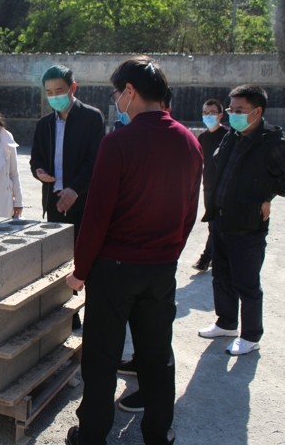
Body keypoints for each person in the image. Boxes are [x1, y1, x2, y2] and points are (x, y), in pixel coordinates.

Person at [64, 57, 203, 445]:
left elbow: (98, 215)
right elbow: (189, 211)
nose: (116, 102)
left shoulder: (119, 142)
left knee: (102, 356)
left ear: (129, 91)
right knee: (156, 354)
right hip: (161, 267)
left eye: (116, 94)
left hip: (115, 268)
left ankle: (92, 434)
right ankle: (158, 433)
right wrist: (170, 252)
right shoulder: (189, 141)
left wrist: (81, 269)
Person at [197, 85, 285, 355]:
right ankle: (226, 323)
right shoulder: (233, 135)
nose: (232, 115)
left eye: (239, 110)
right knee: (221, 276)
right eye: (231, 109)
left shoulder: (271, 142)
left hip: (247, 225)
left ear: (257, 112)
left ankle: (250, 335)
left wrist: (268, 196)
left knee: (247, 283)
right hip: (221, 218)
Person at [116, 85, 176, 414]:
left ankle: (151, 398)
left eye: (119, 93)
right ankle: (144, 375)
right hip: (157, 257)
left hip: (137, 258)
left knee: (154, 338)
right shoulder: (182, 140)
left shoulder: (172, 141)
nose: (118, 101)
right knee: (150, 334)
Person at [30, 64, 105, 239]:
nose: (54, 96)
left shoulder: (92, 118)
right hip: (54, 202)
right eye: (49, 92)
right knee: (55, 251)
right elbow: (36, 158)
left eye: (59, 91)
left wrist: (75, 189)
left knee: (83, 250)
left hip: (83, 200)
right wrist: (38, 171)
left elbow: (96, 160)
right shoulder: (44, 125)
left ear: (73, 88)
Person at [192, 98, 229, 272]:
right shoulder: (203, 137)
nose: (208, 116)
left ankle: (205, 259)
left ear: (220, 115)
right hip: (208, 187)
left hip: (225, 187)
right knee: (213, 224)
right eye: (205, 113)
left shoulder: (229, 136)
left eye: (212, 113)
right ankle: (216, 255)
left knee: (216, 224)